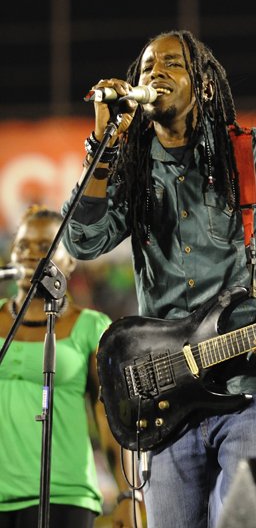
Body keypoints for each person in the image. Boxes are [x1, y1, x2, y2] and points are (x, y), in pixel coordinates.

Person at [62, 30, 256, 528]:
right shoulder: (129, 166)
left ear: (202, 86)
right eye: (146, 67)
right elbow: (81, 242)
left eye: (171, 64)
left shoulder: (253, 152)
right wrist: (104, 142)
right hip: (167, 395)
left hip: (253, 380)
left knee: (248, 521)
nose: (154, 73)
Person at [0, 206, 142, 528]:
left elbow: (111, 422)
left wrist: (128, 495)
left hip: (65, 496)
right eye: (23, 246)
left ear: (70, 261)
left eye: (45, 246)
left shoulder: (91, 326)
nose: (30, 255)